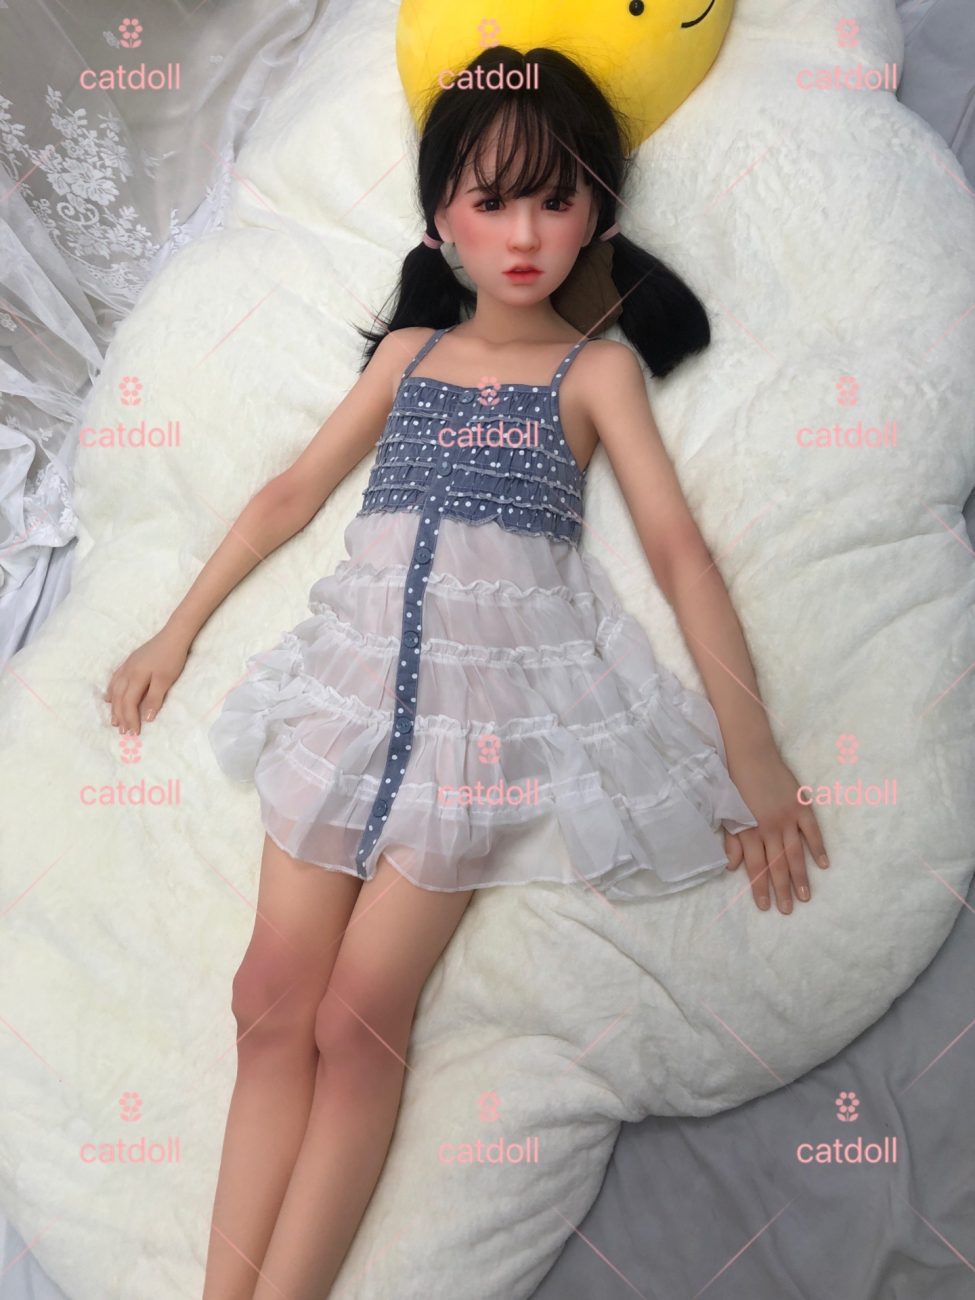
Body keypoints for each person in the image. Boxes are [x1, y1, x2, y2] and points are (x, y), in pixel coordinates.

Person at [103, 44, 830, 1300]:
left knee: (356, 1018)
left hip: (480, 722)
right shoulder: (408, 356)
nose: (526, 233)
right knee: (268, 999)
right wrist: (174, 630)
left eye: (556, 197)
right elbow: (289, 493)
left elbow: (678, 551)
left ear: (599, 210)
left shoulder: (595, 371)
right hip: (343, 691)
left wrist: (753, 751)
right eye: (492, 201)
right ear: (442, 216)